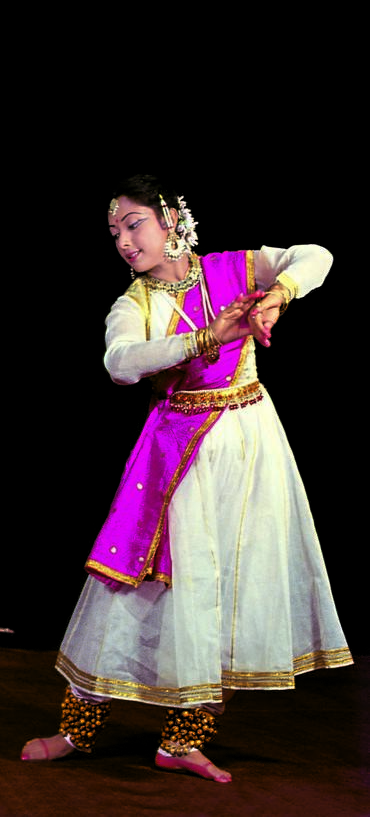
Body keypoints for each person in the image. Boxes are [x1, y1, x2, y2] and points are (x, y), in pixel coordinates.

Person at [21, 176, 351, 782]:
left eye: (134, 224)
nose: (123, 241)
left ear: (172, 219)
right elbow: (121, 363)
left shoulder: (234, 268)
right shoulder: (135, 303)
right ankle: (76, 729)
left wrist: (278, 295)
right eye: (114, 232)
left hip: (251, 444)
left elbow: (318, 255)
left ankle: (183, 739)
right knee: (132, 588)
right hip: (176, 456)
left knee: (232, 591)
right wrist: (205, 337)